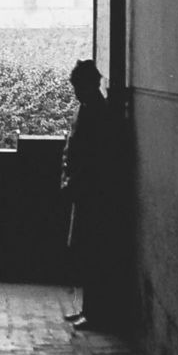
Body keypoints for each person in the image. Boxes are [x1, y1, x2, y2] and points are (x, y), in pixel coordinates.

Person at [61, 59, 118, 331]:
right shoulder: (90, 108)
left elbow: (92, 155)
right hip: (86, 187)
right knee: (87, 249)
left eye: (76, 86)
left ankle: (93, 312)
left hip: (91, 190)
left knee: (91, 249)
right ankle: (88, 309)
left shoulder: (95, 112)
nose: (74, 91)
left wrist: (73, 178)